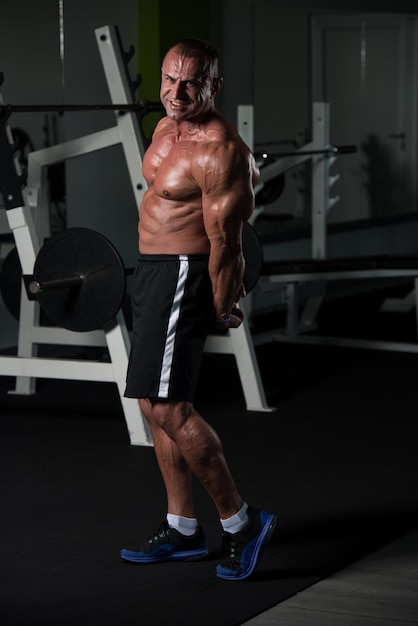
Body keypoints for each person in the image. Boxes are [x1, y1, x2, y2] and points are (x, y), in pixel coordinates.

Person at [121, 38, 276, 581]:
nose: (176, 92)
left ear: (214, 84)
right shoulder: (165, 129)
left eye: (190, 82)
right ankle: (183, 527)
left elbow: (227, 244)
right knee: (152, 402)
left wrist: (220, 305)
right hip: (151, 271)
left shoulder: (220, 151)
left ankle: (241, 522)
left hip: (186, 273)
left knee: (169, 409)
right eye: (168, 79)